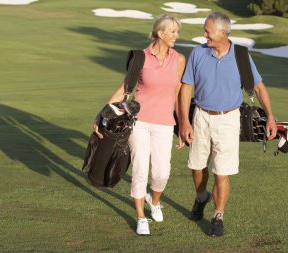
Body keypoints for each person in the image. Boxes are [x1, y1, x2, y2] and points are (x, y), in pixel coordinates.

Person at [178, 12, 277, 237]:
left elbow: (259, 88)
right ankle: (202, 196)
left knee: (222, 172)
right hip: (201, 116)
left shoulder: (241, 55)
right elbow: (186, 88)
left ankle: (218, 216)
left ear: (223, 32)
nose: (204, 35)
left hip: (229, 119)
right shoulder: (198, 53)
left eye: (208, 31)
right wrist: (184, 121)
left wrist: (270, 116)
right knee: (197, 166)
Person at [94, 14, 186, 236]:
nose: (177, 35)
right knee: (140, 169)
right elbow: (124, 89)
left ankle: (154, 201)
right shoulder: (140, 57)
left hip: (165, 123)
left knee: (162, 173)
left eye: (177, 31)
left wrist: (182, 124)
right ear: (160, 33)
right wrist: (101, 116)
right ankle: (141, 217)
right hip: (140, 122)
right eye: (173, 31)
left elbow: (178, 93)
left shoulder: (180, 59)